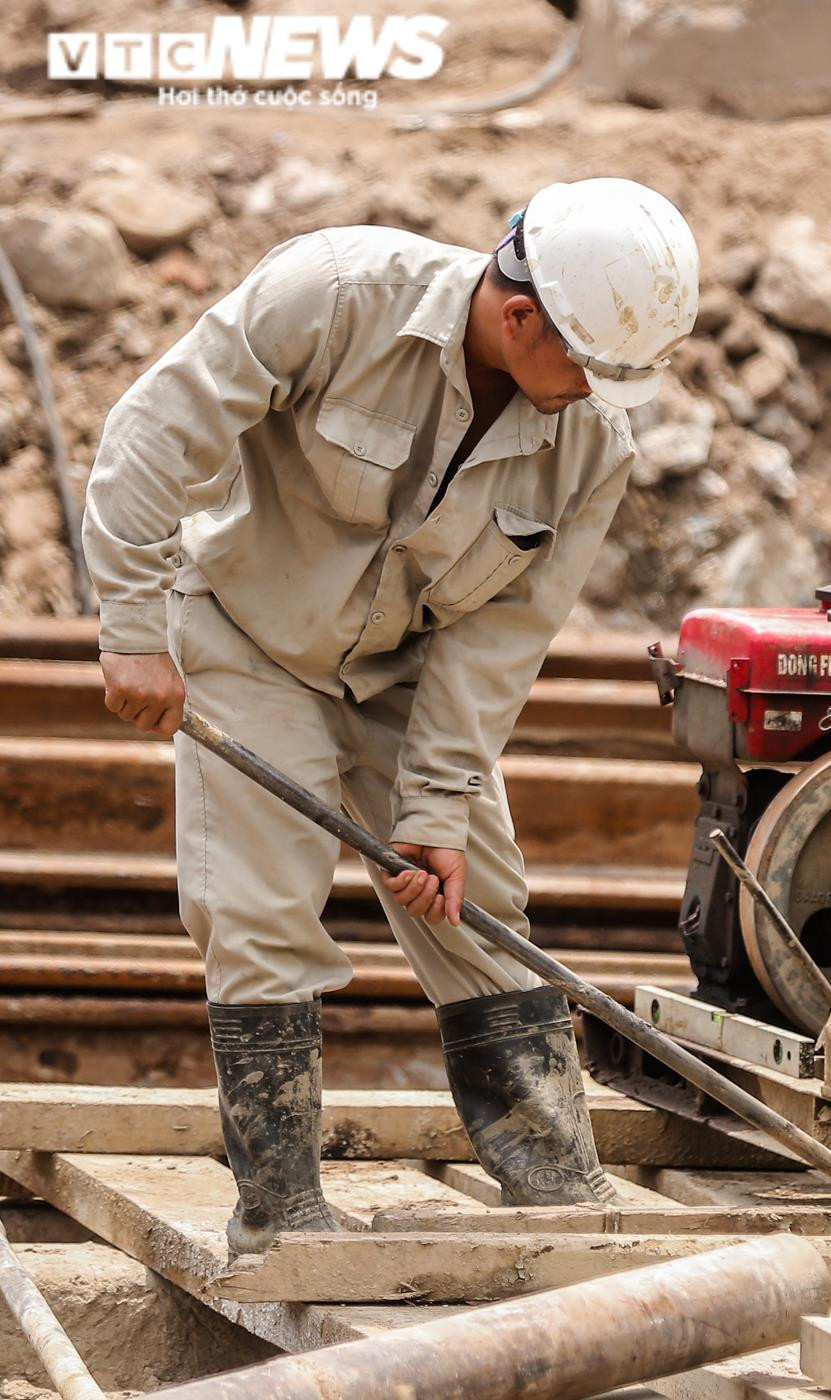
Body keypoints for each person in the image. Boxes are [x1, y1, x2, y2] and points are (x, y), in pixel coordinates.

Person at [83, 178, 699, 1254]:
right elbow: (154, 433)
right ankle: (283, 1210)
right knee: (262, 909)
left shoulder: (589, 440)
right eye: (588, 361)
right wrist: (132, 624)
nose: (596, 389)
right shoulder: (331, 295)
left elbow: (500, 635)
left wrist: (437, 806)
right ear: (519, 318)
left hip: (409, 672)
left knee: (479, 903)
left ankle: (553, 1181)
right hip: (250, 635)